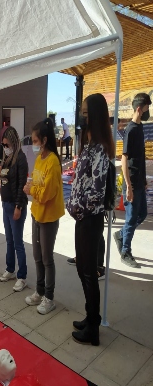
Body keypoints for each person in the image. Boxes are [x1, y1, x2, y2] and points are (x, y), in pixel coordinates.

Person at [66, 93, 115, 346]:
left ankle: (93, 328)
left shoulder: (100, 151)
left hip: (89, 219)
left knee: (88, 272)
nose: (81, 117)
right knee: (83, 270)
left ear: (93, 116)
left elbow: (95, 193)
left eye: (85, 113)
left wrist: (77, 209)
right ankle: (90, 316)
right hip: (82, 218)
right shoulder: (90, 146)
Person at [23, 118, 64, 314]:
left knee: (47, 258)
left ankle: (49, 297)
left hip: (48, 217)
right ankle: (39, 291)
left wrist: (32, 190)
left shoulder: (54, 163)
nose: (33, 145)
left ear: (45, 140)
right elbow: (34, 180)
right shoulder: (39, 160)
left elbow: (47, 193)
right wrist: (30, 186)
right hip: (36, 214)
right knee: (37, 256)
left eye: (35, 141)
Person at [113, 93, 151, 268]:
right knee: (130, 218)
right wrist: (128, 186)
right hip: (131, 183)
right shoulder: (130, 130)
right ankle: (125, 251)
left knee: (141, 214)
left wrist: (143, 179)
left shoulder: (140, 127)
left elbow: (140, 157)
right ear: (139, 108)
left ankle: (121, 235)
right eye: (146, 108)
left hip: (139, 182)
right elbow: (124, 159)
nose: (148, 111)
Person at [0, 126, 29, 291]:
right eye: (3, 145)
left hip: (16, 205)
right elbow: (5, 178)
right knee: (9, 240)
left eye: (7, 145)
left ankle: (22, 276)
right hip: (6, 204)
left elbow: (20, 187)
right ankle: (10, 268)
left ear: (14, 143)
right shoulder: (6, 159)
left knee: (18, 242)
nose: (5, 148)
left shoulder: (21, 159)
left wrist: (18, 206)